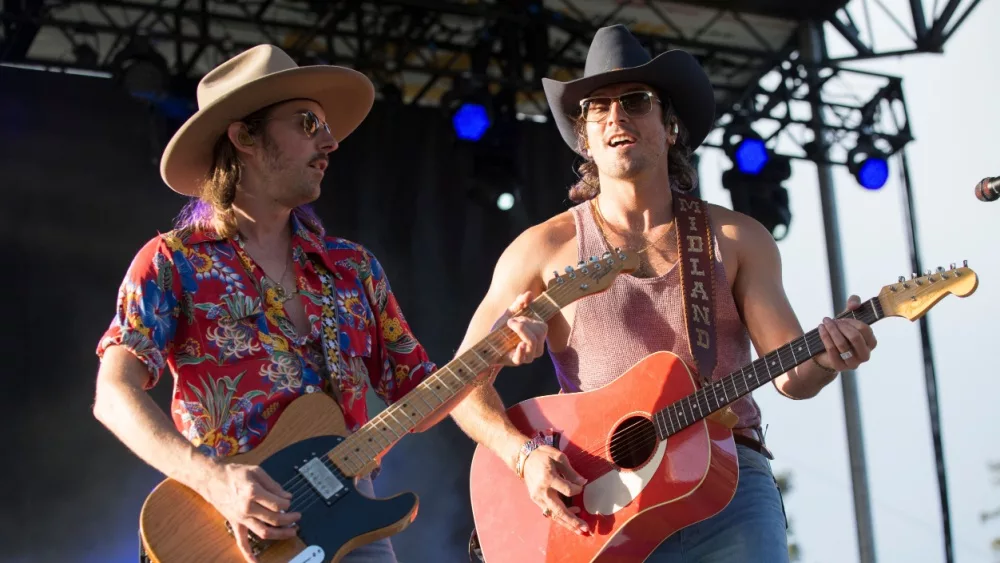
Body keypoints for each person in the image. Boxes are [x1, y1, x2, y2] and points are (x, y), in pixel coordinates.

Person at [91, 45, 547, 563]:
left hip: (352, 518)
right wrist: (216, 482)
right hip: (230, 530)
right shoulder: (172, 262)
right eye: (307, 123)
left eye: (325, 128)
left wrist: (496, 349)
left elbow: (417, 397)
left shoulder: (353, 269)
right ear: (244, 137)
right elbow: (113, 396)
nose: (329, 142)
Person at [449, 24, 878, 561]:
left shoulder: (736, 238)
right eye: (597, 108)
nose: (615, 117)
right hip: (600, 505)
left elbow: (793, 376)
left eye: (635, 101)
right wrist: (523, 456)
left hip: (729, 487)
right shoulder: (543, 249)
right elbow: (462, 383)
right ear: (584, 136)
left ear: (669, 125)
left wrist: (832, 355)